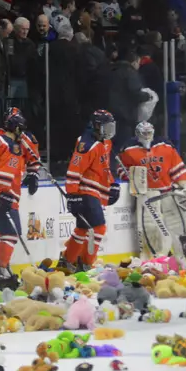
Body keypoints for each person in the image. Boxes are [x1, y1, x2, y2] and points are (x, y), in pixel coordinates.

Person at [0, 108, 40, 284]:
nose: (22, 133)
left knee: (6, 232)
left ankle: (2, 268)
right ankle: (1, 269)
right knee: (12, 233)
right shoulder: (10, 146)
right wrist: (4, 194)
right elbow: (3, 171)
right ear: (15, 128)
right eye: (20, 129)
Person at [116, 121, 186, 258]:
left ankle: (185, 259)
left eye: (149, 133)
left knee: (179, 226)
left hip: (168, 191)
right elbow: (122, 170)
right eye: (143, 133)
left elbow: (177, 168)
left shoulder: (165, 146)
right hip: (148, 194)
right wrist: (133, 177)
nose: (146, 136)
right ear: (137, 134)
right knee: (150, 228)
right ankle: (155, 260)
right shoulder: (128, 149)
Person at [58, 110, 119, 273]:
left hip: (95, 192)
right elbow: (74, 170)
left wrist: (112, 185)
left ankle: (69, 260)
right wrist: (72, 196)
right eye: (106, 126)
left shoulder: (106, 143)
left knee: (83, 229)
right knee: (98, 228)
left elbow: (105, 168)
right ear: (97, 126)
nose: (110, 130)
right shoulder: (86, 143)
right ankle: (85, 263)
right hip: (84, 192)